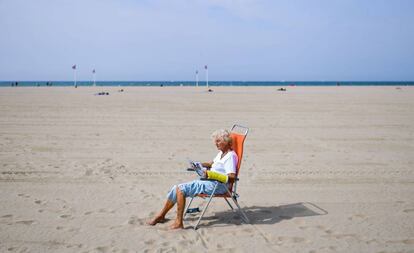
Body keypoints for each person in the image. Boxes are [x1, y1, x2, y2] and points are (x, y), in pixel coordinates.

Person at [148, 129, 238, 229]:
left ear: (226, 141)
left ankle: (179, 223)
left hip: (218, 186)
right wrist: (198, 165)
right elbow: (211, 164)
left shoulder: (230, 156)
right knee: (176, 188)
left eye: (218, 141)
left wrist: (211, 174)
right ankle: (161, 215)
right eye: (215, 141)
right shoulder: (221, 153)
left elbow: (232, 178)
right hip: (210, 181)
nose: (215, 144)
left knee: (181, 189)